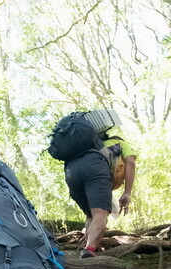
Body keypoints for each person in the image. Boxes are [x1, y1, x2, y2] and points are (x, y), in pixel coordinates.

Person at [59, 111, 138, 258]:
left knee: (91, 215)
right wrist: (127, 192)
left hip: (71, 170)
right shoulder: (118, 142)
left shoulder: (84, 147)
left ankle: (89, 246)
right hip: (94, 167)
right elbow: (130, 163)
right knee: (100, 214)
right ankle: (89, 249)